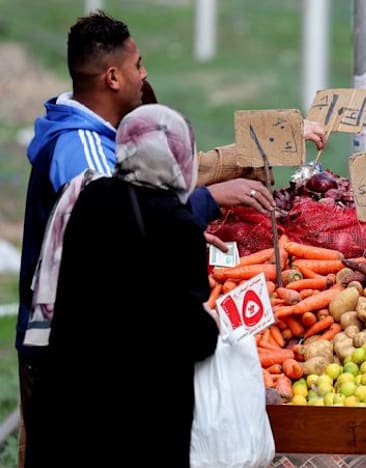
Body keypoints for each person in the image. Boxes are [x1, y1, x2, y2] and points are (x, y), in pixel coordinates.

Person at [15, 10, 325, 464]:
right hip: (99, 376)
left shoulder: (112, 149)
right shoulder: (83, 156)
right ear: (114, 75)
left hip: (85, 371)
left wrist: (232, 170)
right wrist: (199, 211)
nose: (145, 75)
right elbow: (128, 244)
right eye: (138, 64)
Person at [23, 104, 220, 466]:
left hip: (67, 410)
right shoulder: (178, 226)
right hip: (136, 424)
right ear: (181, 158)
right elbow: (192, 334)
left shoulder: (90, 198)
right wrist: (215, 325)